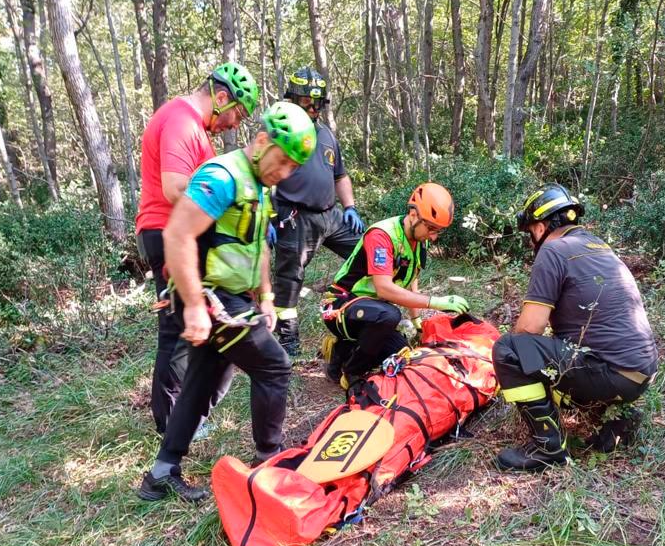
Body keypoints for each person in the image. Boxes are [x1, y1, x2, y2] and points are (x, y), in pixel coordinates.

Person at [138, 101, 316, 502]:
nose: (284, 173)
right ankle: (268, 465)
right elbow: (178, 235)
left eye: (292, 168)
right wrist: (195, 307)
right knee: (274, 365)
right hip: (208, 296)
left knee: (201, 382)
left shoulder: (259, 185)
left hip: (231, 296)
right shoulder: (222, 176)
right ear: (261, 140)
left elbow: (259, 248)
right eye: (282, 161)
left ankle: (162, 473)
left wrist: (267, 296)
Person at [492, 183, 659, 473]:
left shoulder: (553, 250)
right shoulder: (599, 246)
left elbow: (530, 327)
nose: (532, 241)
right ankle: (616, 419)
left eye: (531, 232)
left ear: (541, 226)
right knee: (554, 361)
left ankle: (548, 448)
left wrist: (517, 368)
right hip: (641, 372)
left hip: (610, 371)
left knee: (509, 349)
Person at [136, 63, 259, 437]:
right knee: (176, 332)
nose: (235, 124)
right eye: (237, 113)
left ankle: (187, 416)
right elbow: (175, 187)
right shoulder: (181, 120)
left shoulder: (194, 129)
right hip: (167, 232)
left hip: (181, 233)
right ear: (222, 98)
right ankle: (171, 423)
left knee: (206, 323)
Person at [321, 182, 469, 388]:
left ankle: (340, 353)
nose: (434, 237)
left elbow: (411, 279)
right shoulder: (382, 235)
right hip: (339, 305)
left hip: (370, 311)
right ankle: (352, 372)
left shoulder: (419, 239)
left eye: (439, 232)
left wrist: (416, 322)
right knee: (389, 315)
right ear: (413, 215)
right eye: (432, 229)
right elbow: (384, 289)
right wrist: (435, 302)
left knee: (401, 352)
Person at [271, 66, 366, 357]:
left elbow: (340, 175)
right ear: (292, 99)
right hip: (296, 216)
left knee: (365, 251)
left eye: (318, 103)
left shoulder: (325, 134)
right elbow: (261, 175)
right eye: (306, 103)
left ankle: (352, 308)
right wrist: (269, 218)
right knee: (290, 277)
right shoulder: (279, 131)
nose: (313, 109)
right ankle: (287, 339)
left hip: (331, 215)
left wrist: (349, 207)